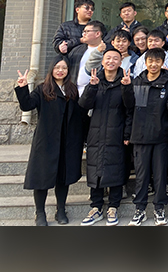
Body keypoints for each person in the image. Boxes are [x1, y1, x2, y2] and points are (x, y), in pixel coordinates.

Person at [14, 57, 84, 226]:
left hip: (67, 141)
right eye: (57, 67)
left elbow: (79, 115)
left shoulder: (72, 90)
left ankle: (61, 210)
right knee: (41, 177)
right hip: (46, 140)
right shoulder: (43, 89)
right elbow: (27, 105)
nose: (60, 71)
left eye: (64, 68)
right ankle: (40, 212)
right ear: (51, 69)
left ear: (68, 71)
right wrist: (23, 88)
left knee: (63, 176)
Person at [121, 47, 168, 226]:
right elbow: (130, 108)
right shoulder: (138, 81)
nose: (154, 64)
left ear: (163, 63)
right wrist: (126, 88)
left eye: (157, 61)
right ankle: (140, 209)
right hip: (140, 136)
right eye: (150, 61)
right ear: (145, 63)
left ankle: (159, 208)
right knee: (141, 175)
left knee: (160, 175)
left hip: (161, 135)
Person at [79, 48, 132, 226]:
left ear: (120, 62)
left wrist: (126, 88)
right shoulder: (96, 80)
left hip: (116, 133)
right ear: (102, 61)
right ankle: (96, 207)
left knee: (116, 168)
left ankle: (113, 207)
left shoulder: (125, 81)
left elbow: (130, 108)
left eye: (115, 58)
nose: (111, 61)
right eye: (108, 58)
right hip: (95, 133)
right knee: (95, 169)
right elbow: (84, 105)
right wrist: (92, 87)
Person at [67, 20, 106, 97]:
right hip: (75, 92)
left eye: (87, 31)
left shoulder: (108, 51)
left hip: (98, 93)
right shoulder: (77, 50)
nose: (83, 34)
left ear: (97, 34)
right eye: (83, 32)